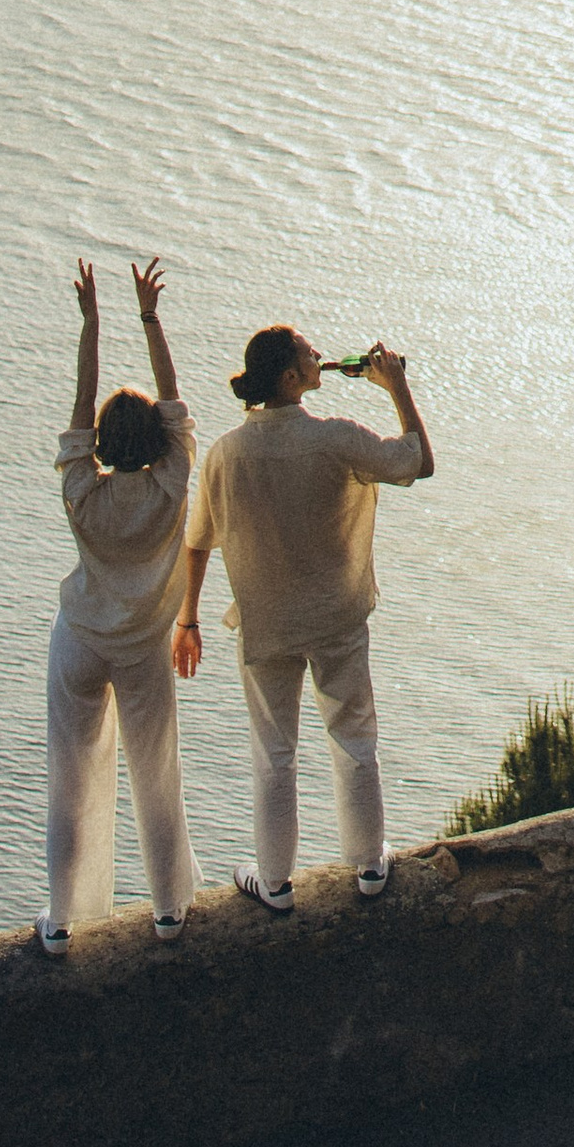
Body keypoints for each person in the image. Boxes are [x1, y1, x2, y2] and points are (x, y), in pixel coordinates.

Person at [174, 325, 433, 912]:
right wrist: (398, 388)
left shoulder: (224, 453)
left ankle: (275, 882)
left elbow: (197, 543)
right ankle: (369, 866)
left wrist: (187, 618)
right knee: (354, 738)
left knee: (274, 752)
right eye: (309, 354)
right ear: (291, 379)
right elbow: (418, 462)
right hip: (336, 617)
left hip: (268, 623)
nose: (321, 357)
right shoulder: (335, 440)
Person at [42, 255, 202, 956]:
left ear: (102, 445)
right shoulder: (172, 484)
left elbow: (81, 409)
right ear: (160, 443)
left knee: (71, 778)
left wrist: (92, 324)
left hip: (80, 640)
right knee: (155, 774)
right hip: (142, 649)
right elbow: (173, 401)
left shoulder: (83, 493)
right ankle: (168, 910)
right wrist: (149, 316)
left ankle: (63, 919)